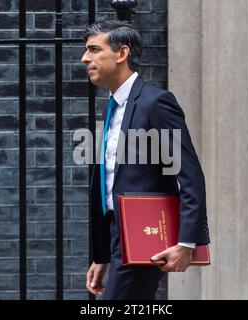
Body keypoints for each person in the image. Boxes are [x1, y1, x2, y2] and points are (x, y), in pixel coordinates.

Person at [82, 20, 210, 300]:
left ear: (121, 53)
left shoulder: (156, 102)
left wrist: (186, 243)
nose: (85, 58)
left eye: (93, 49)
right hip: (118, 235)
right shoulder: (113, 106)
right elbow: (110, 183)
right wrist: (103, 255)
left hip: (144, 233)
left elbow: (189, 174)